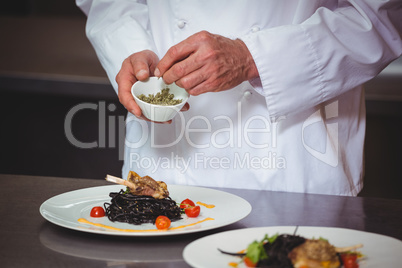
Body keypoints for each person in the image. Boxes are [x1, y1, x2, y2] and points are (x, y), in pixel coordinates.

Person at [76, 0, 402, 196]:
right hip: (165, 158)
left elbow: (381, 17)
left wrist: (253, 58)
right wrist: (131, 46)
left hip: (292, 161)